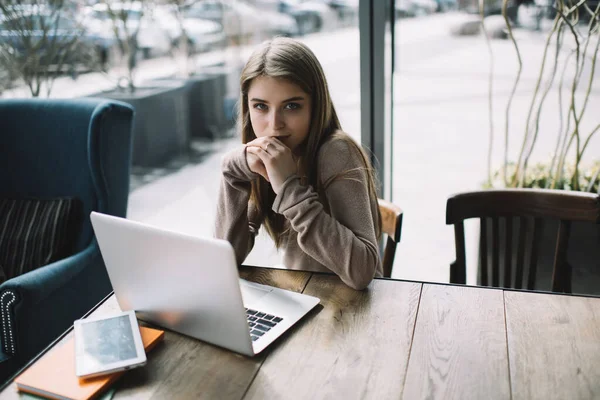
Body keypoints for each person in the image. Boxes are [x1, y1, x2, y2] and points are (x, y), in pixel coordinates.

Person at [215, 37, 382, 290]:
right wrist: (233, 172)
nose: (274, 124)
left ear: (315, 106)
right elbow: (227, 260)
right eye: (261, 106)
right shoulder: (265, 157)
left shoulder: (336, 151)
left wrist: (289, 188)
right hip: (304, 297)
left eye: (291, 106)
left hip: (353, 311)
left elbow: (362, 273)